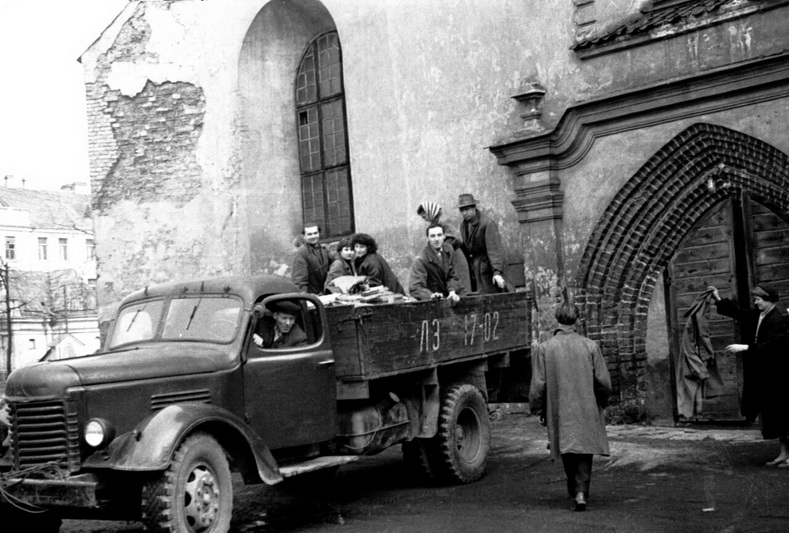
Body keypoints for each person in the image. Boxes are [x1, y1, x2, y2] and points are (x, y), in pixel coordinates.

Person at [530, 301, 611, 512]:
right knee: (584, 446)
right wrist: (602, 401)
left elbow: (538, 385)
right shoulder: (590, 346)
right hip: (586, 404)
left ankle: (574, 487)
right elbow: (603, 382)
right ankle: (581, 491)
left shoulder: (545, 348)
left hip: (558, 406)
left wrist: (538, 408)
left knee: (565, 443)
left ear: (557, 319)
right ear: (577, 320)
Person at [709, 284, 789, 467]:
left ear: (769, 300)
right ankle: (784, 454)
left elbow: (773, 346)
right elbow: (738, 313)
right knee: (776, 417)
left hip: (779, 376)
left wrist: (745, 347)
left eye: (758, 299)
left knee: (784, 415)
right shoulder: (759, 315)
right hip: (766, 375)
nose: (756, 302)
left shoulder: (776, 320)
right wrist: (717, 299)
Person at [416, 200, 471, 294]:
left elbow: (457, 239)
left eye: (424, 217)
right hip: (449, 258)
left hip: (456, 258)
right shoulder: (436, 222)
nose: (425, 220)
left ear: (430, 212)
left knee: (461, 288)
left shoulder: (443, 222)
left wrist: (444, 250)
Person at [457, 193, 507, 294]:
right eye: (461, 210)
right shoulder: (463, 225)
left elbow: (494, 250)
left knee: (494, 295)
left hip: (489, 268)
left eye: (467, 209)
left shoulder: (486, 223)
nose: (464, 213)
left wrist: (497, 272)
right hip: (476, 269)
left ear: (474, 208)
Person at [408, 224, 463, 303]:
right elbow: (415, 287)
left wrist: (452, 291)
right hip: (433, 301)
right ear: (428, 238)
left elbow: (453, 276)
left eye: (439, 235)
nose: (436, 239)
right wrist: (431, 295)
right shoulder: (421, 259)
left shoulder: (449, 249)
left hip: (451, 295)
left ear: (444, 236)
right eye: (432, 236)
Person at [291, 223, 331, 294]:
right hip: (311, 296)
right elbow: (299, 281)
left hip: (324, 294)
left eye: (315, 233)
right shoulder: (302, 253)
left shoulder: (323, 249)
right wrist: (305, 298)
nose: (313, 236)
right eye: (309, 234)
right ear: (304, 236)